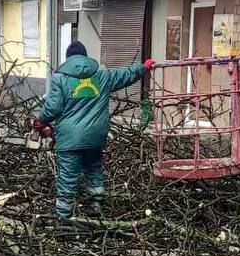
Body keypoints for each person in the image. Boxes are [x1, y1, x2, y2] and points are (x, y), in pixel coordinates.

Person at [35, 40, 153, 219]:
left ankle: (63, 218)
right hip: (96, 137)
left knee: (68, 177)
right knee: (93, 170)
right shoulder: (102, 76)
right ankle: (96, 207)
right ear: (85, 56)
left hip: (70, 138)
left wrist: (40, 122)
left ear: (68, 59)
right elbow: (126, 74)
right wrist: (144, 67)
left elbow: (52, 109)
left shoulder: (60, 78)